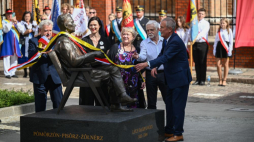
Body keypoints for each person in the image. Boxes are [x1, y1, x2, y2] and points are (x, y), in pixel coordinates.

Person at [54, 14, 137, 112]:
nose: (75, 24)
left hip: (84, 69)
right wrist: (93, 55)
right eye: (72, 22)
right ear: (66, 25)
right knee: (110, 75)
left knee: (113, 68)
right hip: (80, 73)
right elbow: (74, 61)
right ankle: (118, 101)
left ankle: (120, 99)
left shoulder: (68, 39)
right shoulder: (64, 41)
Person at [135, 17, 192, 141]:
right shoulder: (167, 40)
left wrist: (147, 64)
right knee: (170, 105)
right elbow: (161, 54)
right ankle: (169, 130)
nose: (159, 30)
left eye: (161, 27)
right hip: (171, 78)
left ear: (170, 29)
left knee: (177, 106)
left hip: (179, 79)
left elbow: (165, 57)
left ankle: (178, 133)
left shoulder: (175, 41)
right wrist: (154, 65)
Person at [28, 20, 63, 112]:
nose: (48, 33)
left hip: (54, 77)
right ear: (40, 30)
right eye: (46, 30)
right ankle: (40, 125)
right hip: (39, 77)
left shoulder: (56, 41)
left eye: (50, 30)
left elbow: (62, 56)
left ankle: (60, 124)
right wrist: (39, 52)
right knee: (40, 106)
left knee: (59, 104)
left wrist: (52, 53)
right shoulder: (34, 41)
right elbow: (30, 56)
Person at [132, 20, 167, 109]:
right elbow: (143, 56)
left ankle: (171, 121)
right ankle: (152, 122)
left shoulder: (164, 41)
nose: (149, 32)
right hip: (150, 74)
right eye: (147, 30)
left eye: (151, 30)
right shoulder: (144, 42)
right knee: (151, 102)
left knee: (168, 99)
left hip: (164, 73)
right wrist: (138, 57)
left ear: (158, 30)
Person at [108, 27, 145, 108]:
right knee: (119, 105)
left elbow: (141, 66)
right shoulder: (115, 47)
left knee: (133, 104)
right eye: (123, 34)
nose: (125, 36)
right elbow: (108, 62)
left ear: (133, 37)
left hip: (133, 81)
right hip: (118, 81)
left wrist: (142, 80)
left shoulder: (137, 49)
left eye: (128, 34)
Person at [80, 16, 111, 106]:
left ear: (100, 26)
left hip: (102, 73)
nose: (93, 27)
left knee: (102, 102)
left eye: (95, 25)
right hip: (88, 73)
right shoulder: (84, 40)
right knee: (87, 103)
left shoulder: (106, 40)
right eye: (91, 25)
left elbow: (108, 57)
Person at [0, 9, 22, 79]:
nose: (10, 15)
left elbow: (22, 30)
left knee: (15, 57)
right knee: (7, 56)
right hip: (7, 41)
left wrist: (16, 23)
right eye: (8, 14)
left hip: (15, 41)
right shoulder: (4, 22)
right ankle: (7, 73)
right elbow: (6, 29)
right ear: (6, 15)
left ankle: (12, 72)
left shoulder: (16, 22)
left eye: (11, 14)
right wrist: (10, 22)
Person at [213, 18, 233, 86]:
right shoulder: (218, 31)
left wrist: (230, 50)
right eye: (221, 23)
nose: (222, 24)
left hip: (226, 48)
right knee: (218, 64)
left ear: (227, 23)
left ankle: (224, 79)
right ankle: (220, 79)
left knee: (225, 64)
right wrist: (214, 49)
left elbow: (231, 42)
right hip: (219, 47)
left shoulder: (229, 31)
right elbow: (216, 41)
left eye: (224, 23)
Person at [192, 8, 210, 85]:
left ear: (204, 15)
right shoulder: (194, 22)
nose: (200, 15)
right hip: (195, 44)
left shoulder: (206, 23)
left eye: (202, 14)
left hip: (202, 43)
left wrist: (195, 38)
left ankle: (202, 79)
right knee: (196, 62)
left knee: (202, 62)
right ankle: (197, 79)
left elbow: (203, 33)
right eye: (199, 13)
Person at [17, 11, 37, 78]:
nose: (27, 18)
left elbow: (36, 30)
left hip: (31, 42)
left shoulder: (33, 23)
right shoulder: (21, 24)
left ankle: (31, 72)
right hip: (24, 42)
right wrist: (31, 30)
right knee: (24, 57)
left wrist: (32, 29)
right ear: (23, 17)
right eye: (26, 16)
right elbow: (23, 32)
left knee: (31, 56)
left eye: (28, 16)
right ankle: (25, 73)